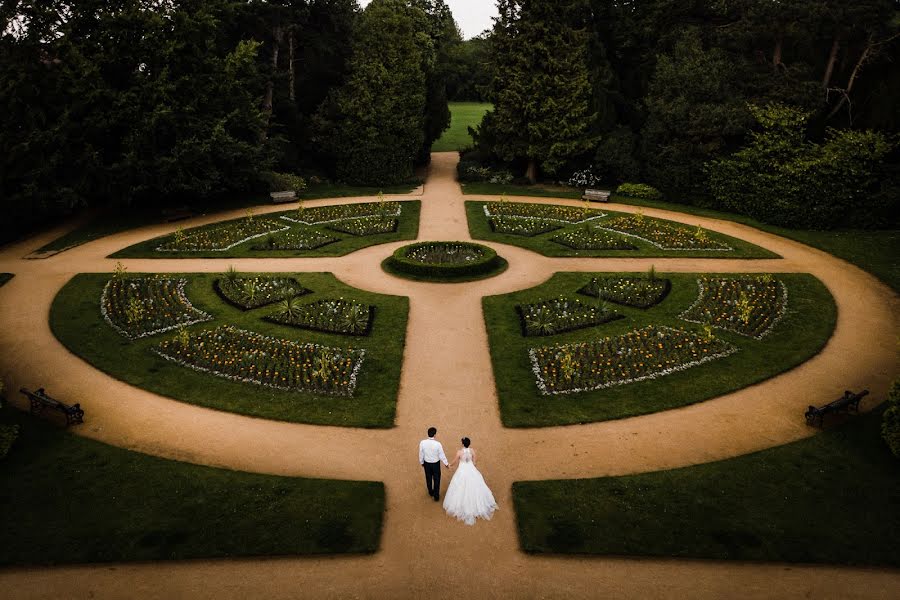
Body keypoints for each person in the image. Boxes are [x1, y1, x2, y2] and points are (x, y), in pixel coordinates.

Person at [443, 437, 498, 525]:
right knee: (475, 485)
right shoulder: (472, 451)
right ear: (469, 444)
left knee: (459, 486)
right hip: (470, 468)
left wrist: (449, 465)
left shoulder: (459, 452)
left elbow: (455, 461)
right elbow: (475, 462)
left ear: (462, 444)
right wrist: (472, 466)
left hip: (462, 469)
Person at [418, 426, 448, 501]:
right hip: (435, 464)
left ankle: (430, 492)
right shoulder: (438, 444)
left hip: (427, 464)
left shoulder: (422, 442)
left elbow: (421, 453)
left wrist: (421, 462)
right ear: (434, 435)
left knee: (428, 478)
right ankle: (436, 496)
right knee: (437, 479)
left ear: (428, 434)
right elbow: (441, 455)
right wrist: (446, 463)